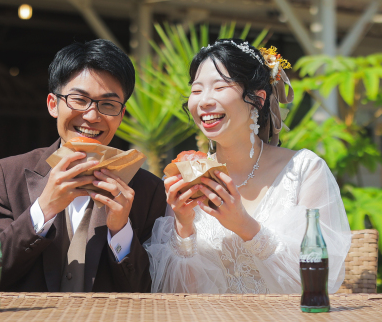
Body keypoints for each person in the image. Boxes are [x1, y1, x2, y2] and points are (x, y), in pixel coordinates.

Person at [144, 39, 351, 294]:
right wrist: (184, 227)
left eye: (219, 87)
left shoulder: (304, 171)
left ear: (258, 99)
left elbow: (320, 282)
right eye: (196, 90)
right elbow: (179, 296)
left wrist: (244, 225)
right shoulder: (187, 177)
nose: (204, 101)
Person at [0, 39, 166, 292]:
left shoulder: (149, 190)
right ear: (52, 104)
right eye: (79, 99)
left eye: (108, 104)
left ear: (121, 116)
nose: (91, 116)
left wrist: (121, 229)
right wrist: (43, 210)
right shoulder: (6, 175)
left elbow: (152, 292)